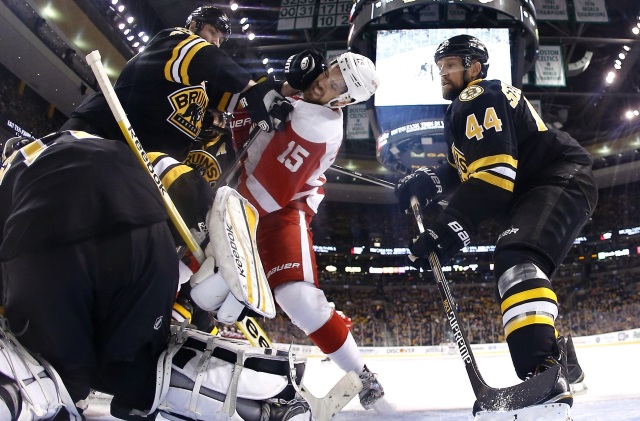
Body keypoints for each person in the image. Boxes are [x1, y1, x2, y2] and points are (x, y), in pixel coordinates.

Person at [0, 132, 313, 420]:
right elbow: (171, 174)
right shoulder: (94, 139)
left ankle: (16, 390)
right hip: (144, 229)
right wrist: (207, 212)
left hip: (45, 235)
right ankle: (270, 395)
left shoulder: (9, 173)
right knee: (138, 366)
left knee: (56, 371)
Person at [395, 35, 597, 414]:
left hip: (556, 178)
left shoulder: (477, 97)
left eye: (451, 64)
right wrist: (432, 180)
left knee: (517, 259)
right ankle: (565, 363)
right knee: (515, 261)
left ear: (475, 66)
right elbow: (468, 170)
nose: (443, 72)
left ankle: (546, 377)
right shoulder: (467, 108)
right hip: (539, 186)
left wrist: (448, 226)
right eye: (440, 66)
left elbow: (494, 176)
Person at [235, 50, 385, 410]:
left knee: (297, 298)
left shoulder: (316, 125)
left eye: (335, 83)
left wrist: (223, 220)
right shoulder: (308, 83)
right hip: (240, 187)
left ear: (346, 99)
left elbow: (266, 194)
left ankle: (361, 373)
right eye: (331, 71)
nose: (323, 80)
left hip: (281, 208)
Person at [61, 5, 295, 161]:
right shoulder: (173, 40)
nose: (216, 42)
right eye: (212, 32)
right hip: (99, 136)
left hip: (131, 161)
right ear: (193, 25)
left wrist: (284, 89)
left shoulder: (197, 83)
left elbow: (182, 111)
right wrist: (250, 87)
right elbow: (205, 56)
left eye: (220, 39)